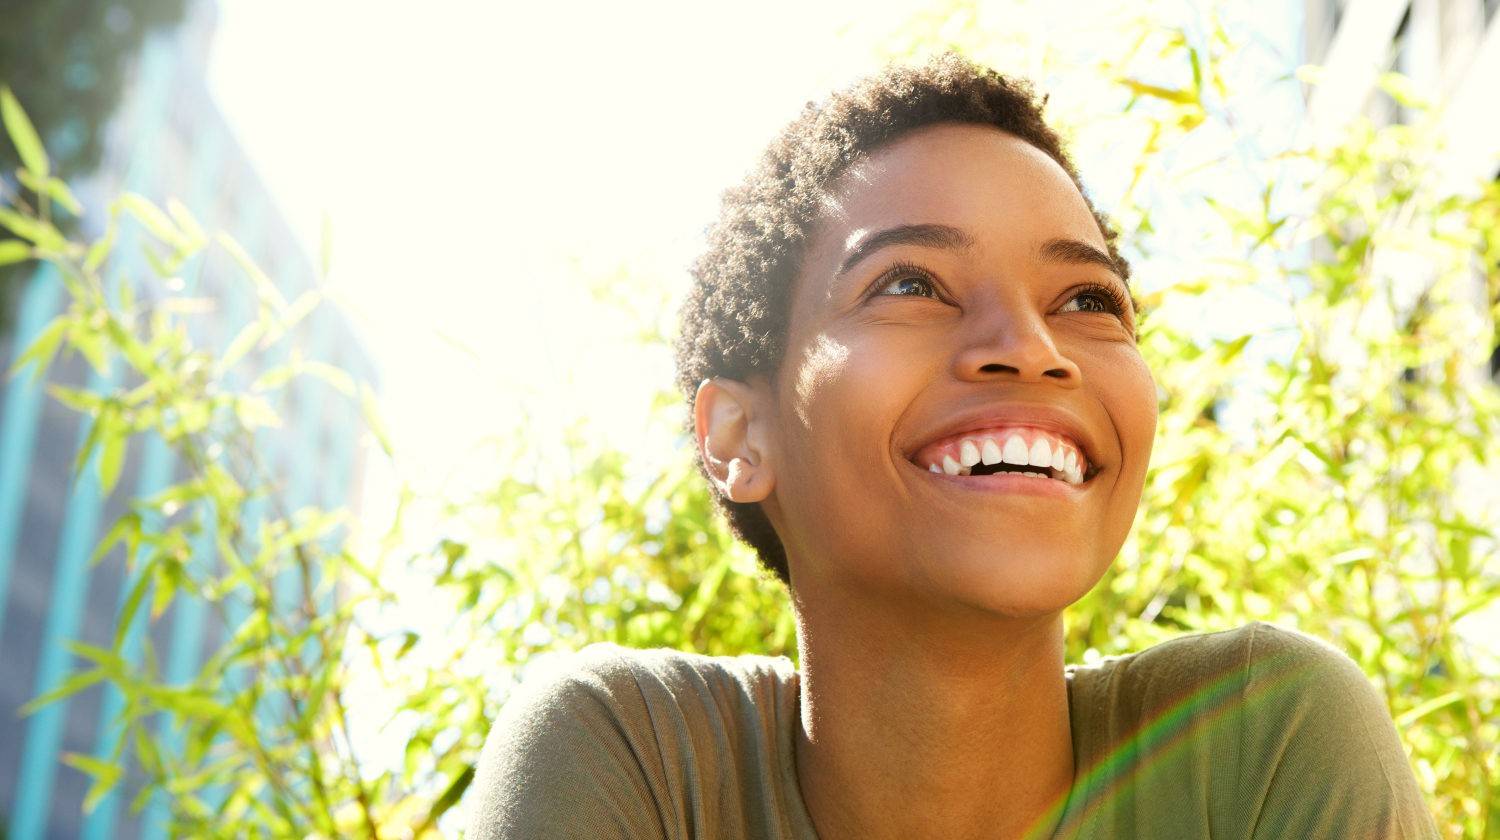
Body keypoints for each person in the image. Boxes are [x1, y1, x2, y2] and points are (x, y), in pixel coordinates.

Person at [466, 53, 1438, 839]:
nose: (1031, 348)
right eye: (911, 284)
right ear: (738, 434)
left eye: (1086, 299)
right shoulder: (635, 760)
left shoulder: (1264, 741)